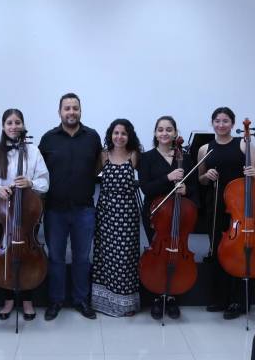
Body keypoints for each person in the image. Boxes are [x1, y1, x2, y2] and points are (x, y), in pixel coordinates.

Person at [39, 92, 102, 320]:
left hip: (84, 208)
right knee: (55, 257)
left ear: (80, 111)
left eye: (75, 108)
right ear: (60, 112)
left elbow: (97, 168)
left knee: (82, 258)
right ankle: (56, 301)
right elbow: (40, 173)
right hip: (55, 209)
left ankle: (81, 300)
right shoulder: (48, 139)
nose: (71, 112)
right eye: (67, 108)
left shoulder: (93, 137)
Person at [0, 108, 49, 321]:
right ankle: (8, 299)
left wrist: (30, 182)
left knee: (27, 254)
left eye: (17, 122)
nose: (14, 126)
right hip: (2, 212)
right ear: (3, 126)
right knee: (6, 255)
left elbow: (45, 182)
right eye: (9, 122)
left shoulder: (33, 150)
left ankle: (28, 299)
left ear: (23, 124)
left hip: (28, 211)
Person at [197, 107, 255, 320]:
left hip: (239, 207)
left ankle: (238, 300)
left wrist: (253, 173)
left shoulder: (244, 144)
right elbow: (200, 180)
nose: (221, 124)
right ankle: (219, 297)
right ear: (212, 123)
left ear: (232, 124)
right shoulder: (205, 149)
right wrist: (207, 175)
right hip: (215, 204)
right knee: (217, 250)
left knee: (238, 251)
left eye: (225, 121)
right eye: (217, 120)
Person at [138, 115, 199, 320]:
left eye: (169, 129)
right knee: (159, 255)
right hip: (156, 214)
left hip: (180, 214)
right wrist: (168, 178)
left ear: (175, 133)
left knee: (176, 254)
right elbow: (146, 188)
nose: (164, 133)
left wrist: (186, 189)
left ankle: (172, 297)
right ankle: (158, 297)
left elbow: (195, 188)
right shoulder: (146, 157)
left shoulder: (186, 157)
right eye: (160, 129)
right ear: (155, 133)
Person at [91, 119, 143, 317]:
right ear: (110, 135)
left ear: (129, 136)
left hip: (127, 214)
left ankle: (126, 303)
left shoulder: (135, 155)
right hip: (105, 213)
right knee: (104, 256)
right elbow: (91, 175)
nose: (119, 137)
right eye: (116, 133)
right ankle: (103, 302)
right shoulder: (104, 154)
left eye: (123, 133)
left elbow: (146, 179)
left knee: (126, 257)